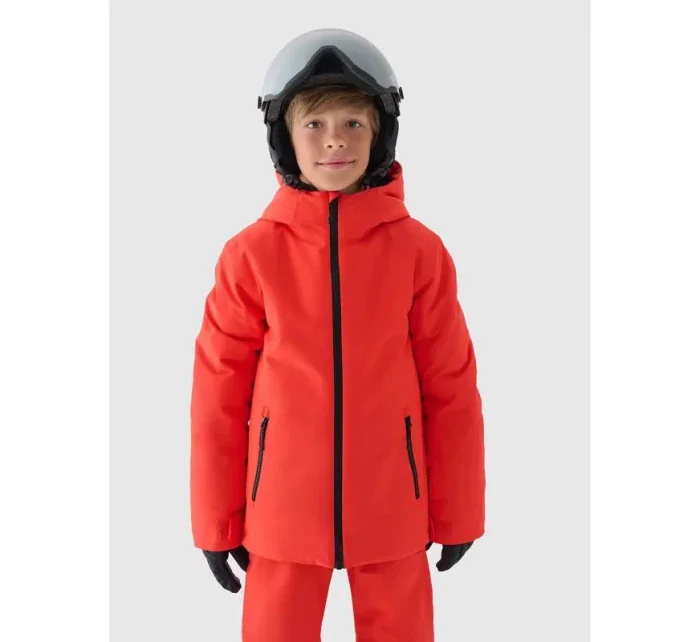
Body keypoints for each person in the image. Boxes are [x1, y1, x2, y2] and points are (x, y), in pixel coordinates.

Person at [190, 27, 486, 641]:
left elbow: (451, 390)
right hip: (280, 513)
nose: (335, 140)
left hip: (394, 509)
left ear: (380, 134)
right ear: (284, 137)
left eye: (353, 123)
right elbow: (219, 396)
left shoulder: (420, 253)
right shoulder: (250, 256)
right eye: (315, 124)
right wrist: (216, 523)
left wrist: (458, 513)